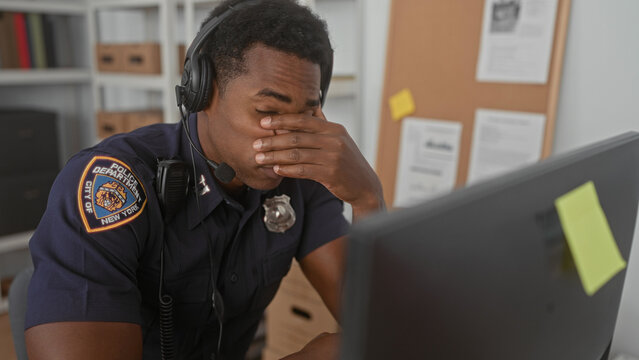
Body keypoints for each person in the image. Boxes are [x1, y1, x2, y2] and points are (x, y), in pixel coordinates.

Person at [24, 0, 384, 359]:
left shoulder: (301, 177)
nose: (289, 138)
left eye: (307, 113)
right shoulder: (114, 184)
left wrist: (367, 197)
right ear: (201, 91)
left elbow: (377, 326)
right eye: (269, 113)